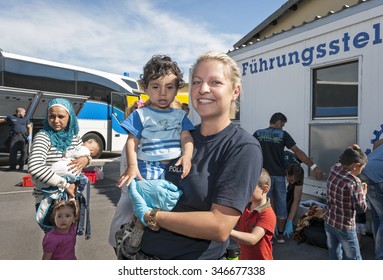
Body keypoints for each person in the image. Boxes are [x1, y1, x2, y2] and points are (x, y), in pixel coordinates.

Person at [126, 51, 263, 260]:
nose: (203, 89)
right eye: (197, 82)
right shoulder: (181, 138)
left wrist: (150, 215)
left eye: (215, 82)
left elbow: (219, 227)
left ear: (235, 91)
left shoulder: (243, 147)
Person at [115, 54, 195, 259]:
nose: (162, 93)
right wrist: (132, 167)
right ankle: (136, 230)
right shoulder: (140, 115)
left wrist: (187, 156)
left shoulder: (180, 115)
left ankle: (140, 225)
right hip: (147, 165)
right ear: (145, 88)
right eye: (156, 86)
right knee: (145, 193)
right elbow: (131, 142)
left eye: (169, 87)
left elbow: (187, 138)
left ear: (177, 89)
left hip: (171, 170)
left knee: (167, 200)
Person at [253, 112, 324, 244]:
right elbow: (298, 152)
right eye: (283, 125)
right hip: (279, 176)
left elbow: (250, 151)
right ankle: (280, 235)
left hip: (263, 176)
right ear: (279, 122)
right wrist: (314, 167)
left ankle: (265, 234)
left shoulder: (258, 134)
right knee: (281, 207)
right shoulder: (283, 135)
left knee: (263, 205)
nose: (283, 127)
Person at [28, 98, 91, 230]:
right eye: (51, 116)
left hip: (71, 199)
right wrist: (65, 184)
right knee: (55, 244)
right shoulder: (43, 136)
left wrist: (86, 159)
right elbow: (35, 167)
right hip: (50, 200)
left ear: (70, 117)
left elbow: (81, 156)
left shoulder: (74, 137)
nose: (56, 121)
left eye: (61, 116)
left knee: (68, 243)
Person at [323, 144, 368, 260]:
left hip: (329, 220)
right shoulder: (354, 182)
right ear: (356, 166)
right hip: (345, 226)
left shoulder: (334, 168)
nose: (361, 172)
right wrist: (363, 193)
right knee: (353, 258)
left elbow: (341, 160)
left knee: (334, 253)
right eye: (361, 169)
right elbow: (360, 208)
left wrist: (350, 150)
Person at [229, 168, 276, 260]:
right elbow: (231, 222)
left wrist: (226, 231)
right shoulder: (245, 207)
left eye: (250, 188)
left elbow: (253, 239)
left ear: (264, 189)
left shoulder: (267, 214)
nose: (245, 191)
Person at [359, 138, 383, 259]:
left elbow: (375, 145)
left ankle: (378, 248)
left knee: (376, 215)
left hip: (364, 171)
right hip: (377, 176)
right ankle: (380, 256)